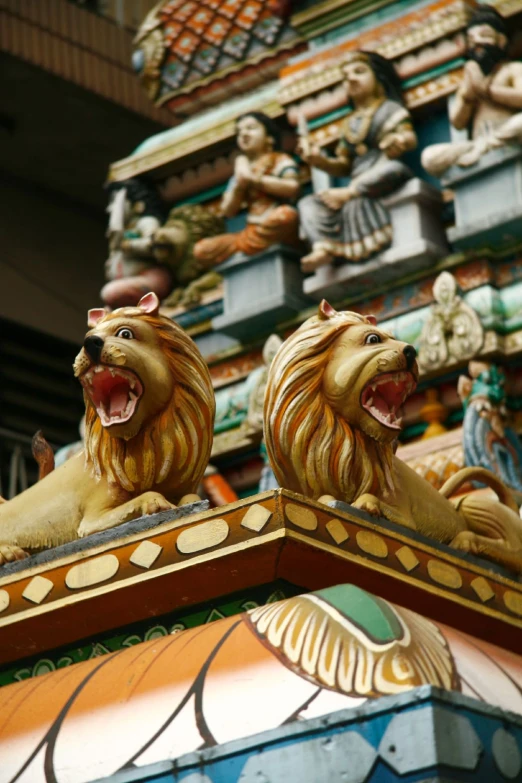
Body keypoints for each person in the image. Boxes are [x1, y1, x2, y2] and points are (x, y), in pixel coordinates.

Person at [297, 50, 417, 273]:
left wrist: (398, 139)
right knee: (307, 204)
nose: (350, 79)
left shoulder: (389, 109)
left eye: (359, 72)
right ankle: (324, 247)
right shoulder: (350, 123)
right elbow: (344, 164)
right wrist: (319, 160)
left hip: (381, 172)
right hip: (359, 181)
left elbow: (409, 137)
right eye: (345, 76)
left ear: (378, 78)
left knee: (393, 168)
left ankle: (350, 194)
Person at [422, 7, 522, 176]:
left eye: (485, 36)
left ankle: (488, 145)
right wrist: (468, 95)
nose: (477, 42)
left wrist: (487, 90)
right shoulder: (469, 81)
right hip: (476, 144)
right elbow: (457, 122)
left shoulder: (513, 69)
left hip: (509, 134)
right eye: (471, 39)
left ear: (501, 41)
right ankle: (483, 146)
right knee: (429, 157)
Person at [193, 112, 301, 267]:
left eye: (251, 128)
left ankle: (252, 246)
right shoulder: (241, 171)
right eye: (239, 132)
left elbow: (293, 188)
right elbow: (227, 210)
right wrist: (240, 183)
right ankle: (252, 244)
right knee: (201, 249)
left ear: (269, 137)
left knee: (287, 216)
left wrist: (255, 181)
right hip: (250, 231)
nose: (244, 134)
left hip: (274, 221)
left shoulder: (279, 160)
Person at [102, 178, 172, 308]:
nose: (110, 208)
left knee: (111, 292)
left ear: (136, 205)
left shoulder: (146, 222)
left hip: (151, 278)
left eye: (115, 203)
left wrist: (128, 245)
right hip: (127, 282)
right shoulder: (121, 231)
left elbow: (156, 244)